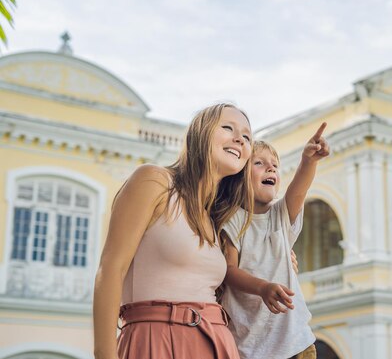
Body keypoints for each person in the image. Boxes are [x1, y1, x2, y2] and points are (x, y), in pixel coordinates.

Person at [93, 104, 254, 359]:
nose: (239, 139)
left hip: (219, 343)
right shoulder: (155, 181)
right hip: (155, 339)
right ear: (200, 133)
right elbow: (111, 268)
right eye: (227, 127)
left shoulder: (215, 221)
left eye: (247, 137)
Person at [221, 123, 330, 359]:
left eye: (275, 165)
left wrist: (308, 161)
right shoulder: (231, 222)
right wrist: (263, 287)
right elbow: (228, 271)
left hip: (297, 343)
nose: (270, 167)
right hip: (251, 347)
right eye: (259, 163)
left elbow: (298, 190)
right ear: (238, 177)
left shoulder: (280, 215)